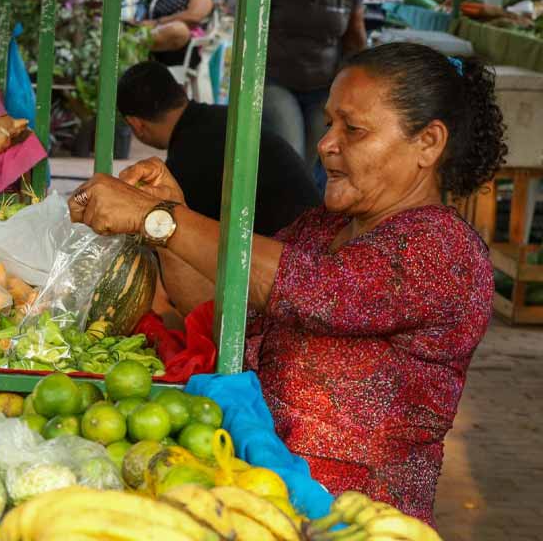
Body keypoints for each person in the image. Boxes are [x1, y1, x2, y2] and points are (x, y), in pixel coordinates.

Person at [69, 42, 506, 522]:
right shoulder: (321, 228)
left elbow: (314, 290)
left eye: (353, 130)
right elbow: (228, 313)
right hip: (252, 496)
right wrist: (166, 229)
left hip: (349, 521)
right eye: (329, 124)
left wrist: (162, 218)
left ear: (429, 142)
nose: (325, 144)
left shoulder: (443, 250)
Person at [118, 61, 321, 316]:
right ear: (179, 91)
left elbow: (183, 252)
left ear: (136, 124)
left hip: (290, 271)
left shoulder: (185, 160)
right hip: (307, 250)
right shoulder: (222, 119)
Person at [265, 0, 367, 190]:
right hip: (278, 83)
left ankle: (305, 223)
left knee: (318, 157)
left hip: (324, 88)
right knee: (289, 150)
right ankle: (281, 221)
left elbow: (355, 40)